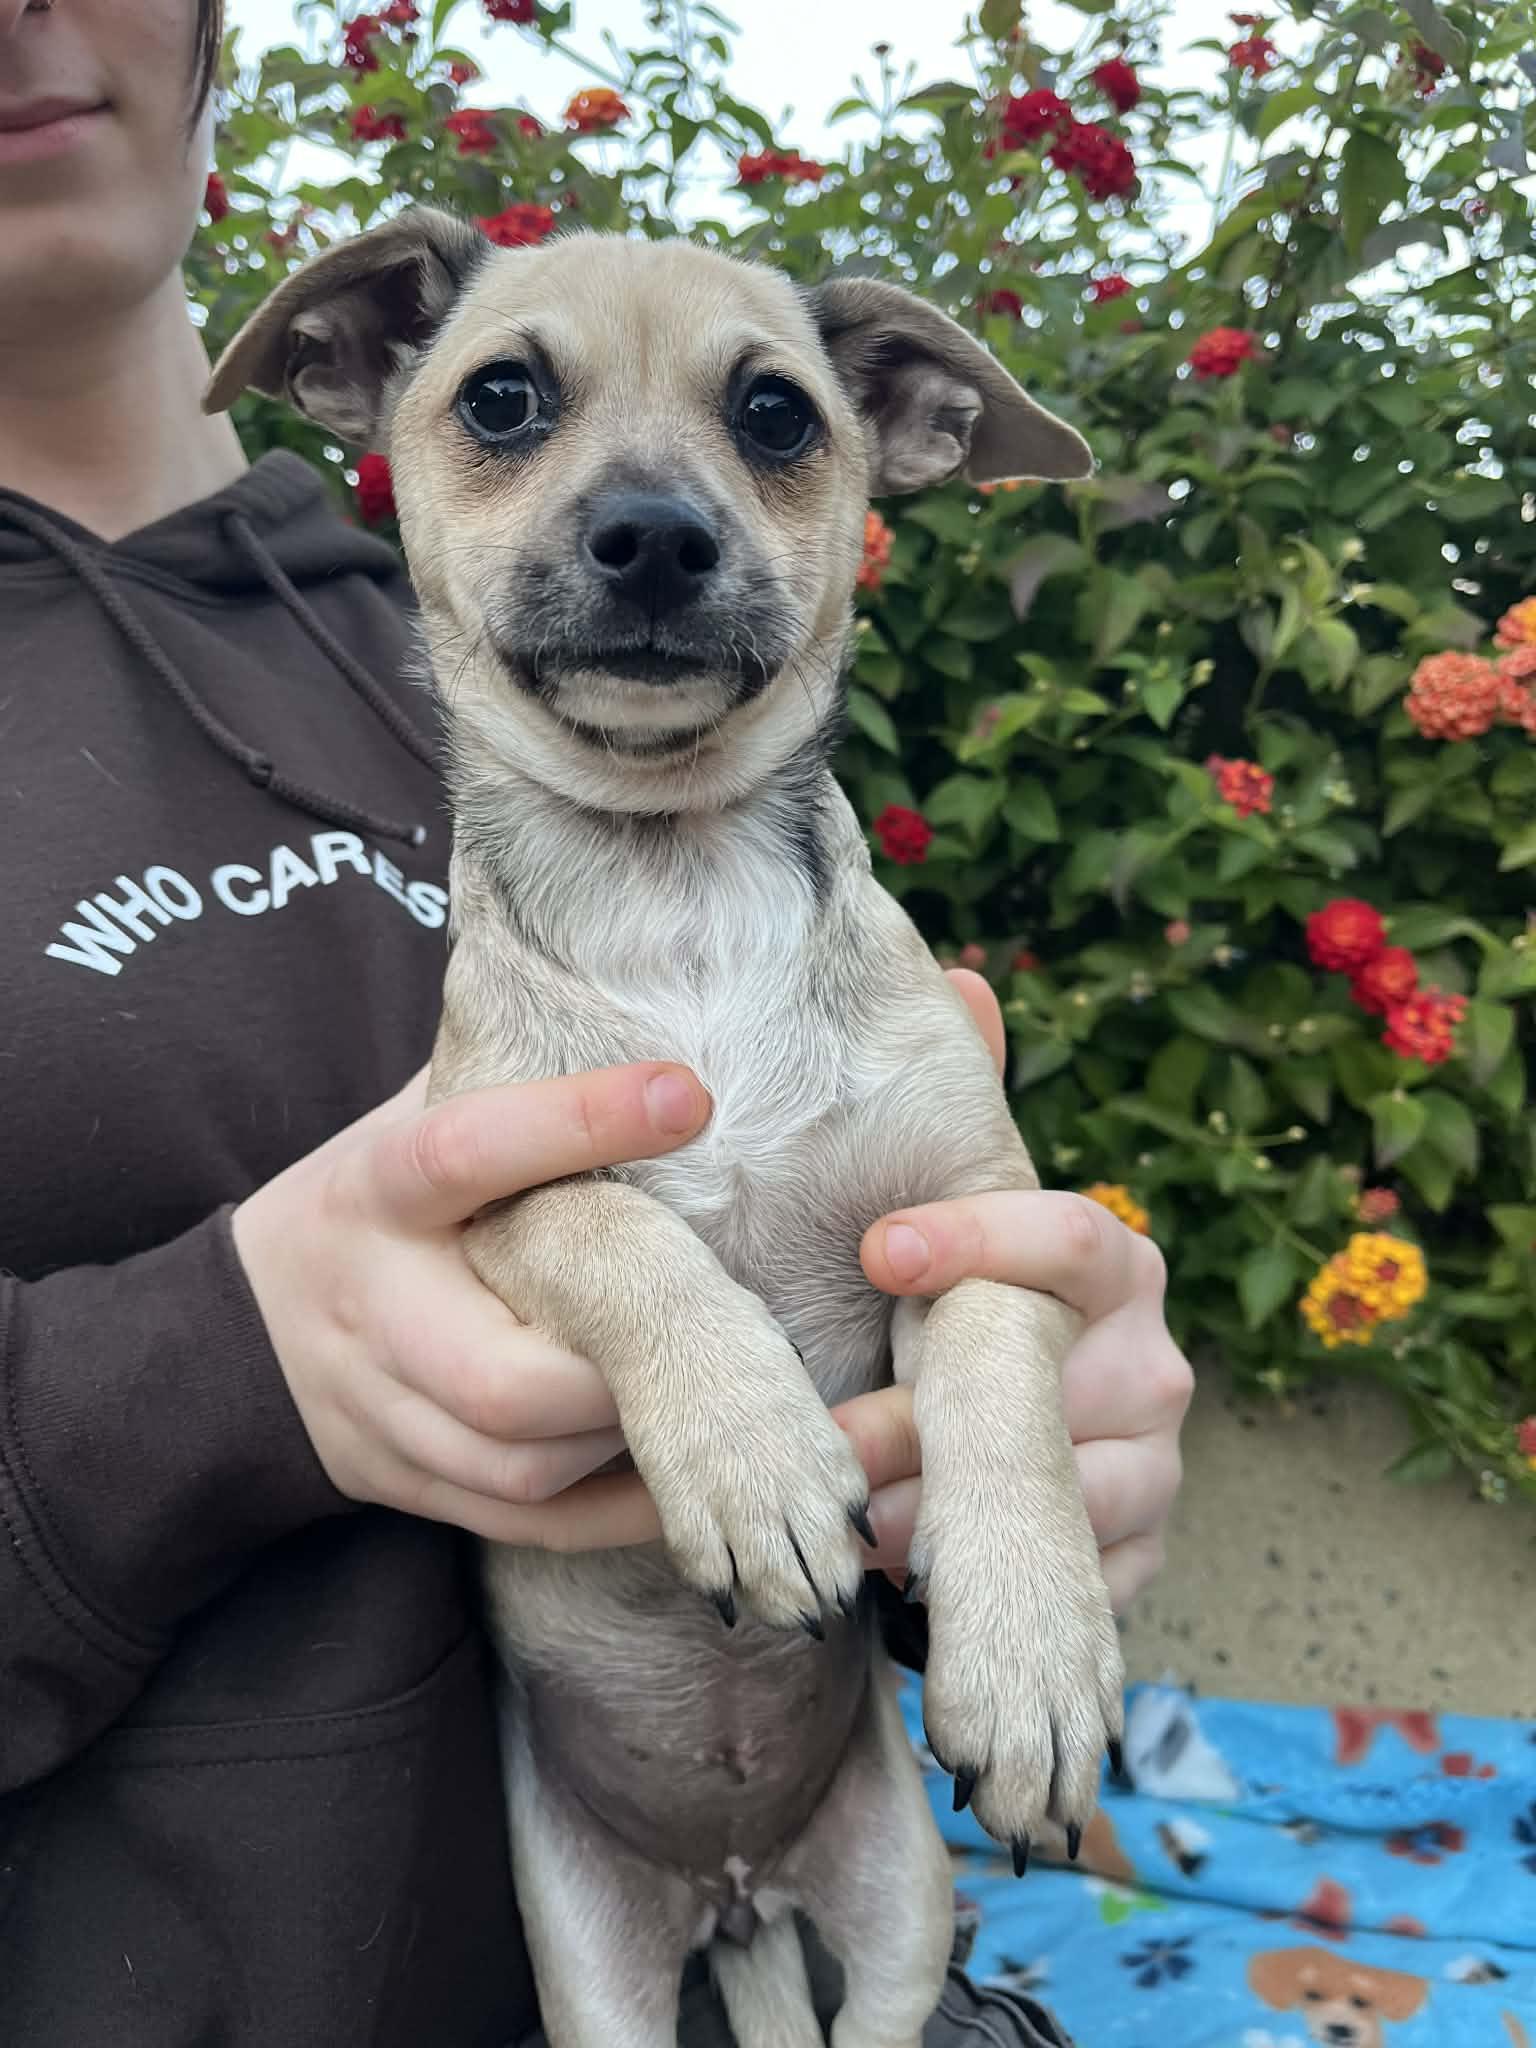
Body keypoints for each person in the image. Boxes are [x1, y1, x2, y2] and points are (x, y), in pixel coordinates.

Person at [0, 2, 1193, 2042]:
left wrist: (1002, 1447)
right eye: (516, 408)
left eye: (771, 425)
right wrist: (229, 1365)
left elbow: (918, 1331)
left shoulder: (430, 662)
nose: (647, 517)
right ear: (373, 378)